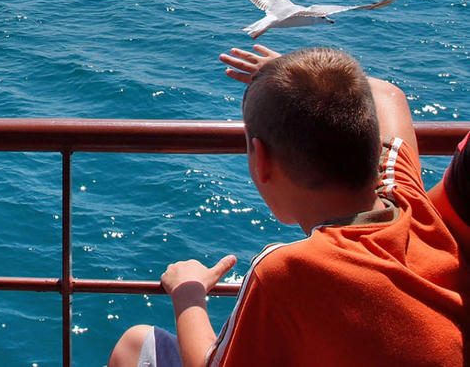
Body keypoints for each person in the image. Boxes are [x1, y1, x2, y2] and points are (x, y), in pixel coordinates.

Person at [109, 44, 468, 367]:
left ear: (260, 160)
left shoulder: (287, 270)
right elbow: (389, 95)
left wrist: (189, 295)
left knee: (133, 345)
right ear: (370, 142)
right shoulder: (409, 197)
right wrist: (300, 79)